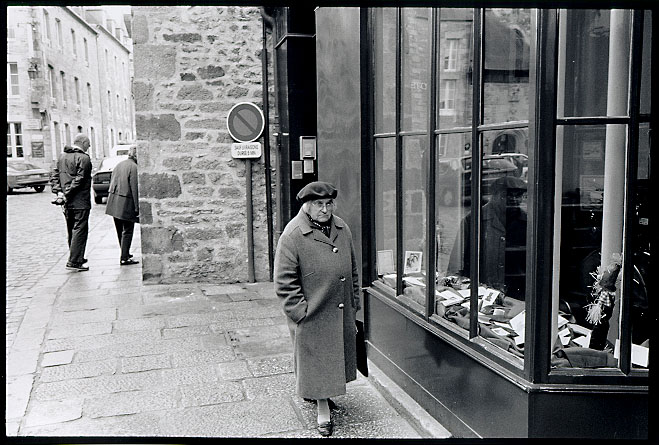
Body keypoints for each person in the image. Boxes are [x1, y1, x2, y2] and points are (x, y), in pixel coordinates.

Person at [274, 181, 361, 437]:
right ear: (307, 206)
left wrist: (353, 303)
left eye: (329, 204)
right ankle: (322, 408)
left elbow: (353, 269)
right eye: (319, 204)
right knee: (318, 363)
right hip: (313, 314)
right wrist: (301, 313)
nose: (325, 210)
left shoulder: (341, 228)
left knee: (331, 362)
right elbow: (284, 283)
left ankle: (322, 396)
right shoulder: (292, 235)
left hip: (339, 309)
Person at [448, 176, 528, 300]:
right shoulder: (474, 220)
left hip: (516, 295)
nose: (513, 199)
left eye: (518, 195)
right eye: (507, 195)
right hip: (480, 294)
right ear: (494, 195)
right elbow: (456, 263)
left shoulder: (527, 223)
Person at [50, 133, 93, 272]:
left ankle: (76, 256)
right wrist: (66, 192)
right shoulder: (84, 158)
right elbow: (80, 179)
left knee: (71, 229)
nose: (89, 146)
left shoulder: (62, 156)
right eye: (88, 143)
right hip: (80, 200)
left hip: (66, 202)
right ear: (82, 142)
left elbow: (54, 175)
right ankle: (74, 261)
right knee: (80, 229)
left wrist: (59, 192)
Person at [105, 146, 140, 265]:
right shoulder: (134, 167)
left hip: (114, 201)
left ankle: (125, 252)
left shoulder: (119, 164)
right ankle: (124, 257)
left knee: (120, 230)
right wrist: (137, 207)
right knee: (128, 231)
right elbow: (135, 188)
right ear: (136, 155)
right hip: (126, 202)